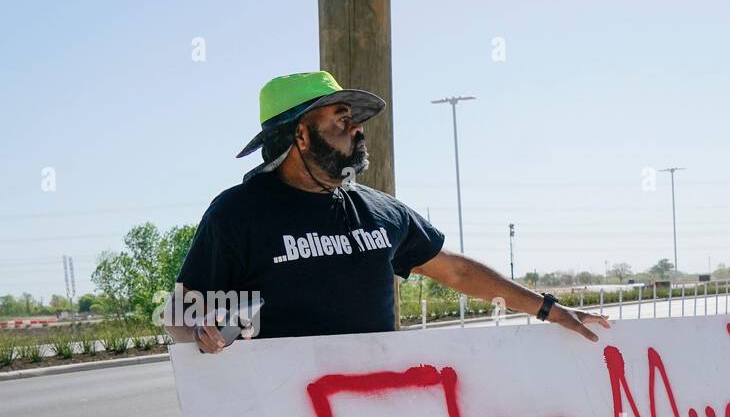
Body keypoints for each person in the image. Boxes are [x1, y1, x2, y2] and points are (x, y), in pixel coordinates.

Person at [164, 71, 610, 350]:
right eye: (341, 119)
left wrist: (549, 309)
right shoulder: (237, 214)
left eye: (354, 120)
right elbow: (180, 314)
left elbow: (455, 272)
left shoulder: (379, 211)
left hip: (376, 412)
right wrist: (201, 332)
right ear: (300, 135)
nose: (357, 130)